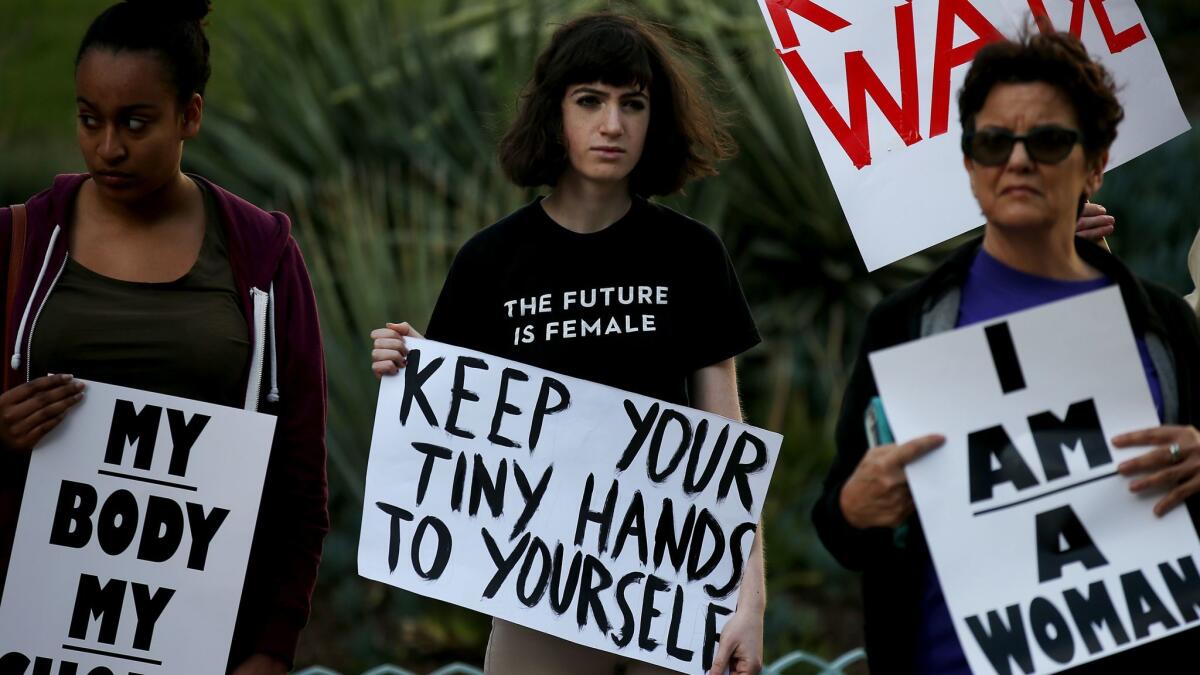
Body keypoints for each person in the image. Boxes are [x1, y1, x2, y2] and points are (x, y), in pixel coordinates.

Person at [371, 12, 765, 675]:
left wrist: (748, 598)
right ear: (556, 115)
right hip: (539, 600)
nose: (612, 124)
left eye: (632, 104)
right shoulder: (489, 262)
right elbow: (456, 438)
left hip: (675, 594)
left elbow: (725, 439)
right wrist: (410, 366)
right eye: (590, 100)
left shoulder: (693, 255)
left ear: (653, 119)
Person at [813, 30, 1200, 674]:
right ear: (969, 163)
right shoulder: (904, 326)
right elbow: (839, 525)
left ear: (1096, 163)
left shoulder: (1162, 326)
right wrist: (856, 506)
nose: (1017, 161)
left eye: (1047, 140)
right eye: (993, 142)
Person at [0, 2, 328, 673]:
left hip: (205, 646)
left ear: (191, 116)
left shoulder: (262, 260)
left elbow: (300, 477)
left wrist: (271, 647)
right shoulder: (18, 244)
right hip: (30, 638)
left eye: (135, 122)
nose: (108, 147)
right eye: (89, 118)